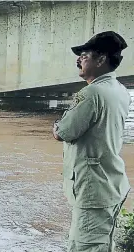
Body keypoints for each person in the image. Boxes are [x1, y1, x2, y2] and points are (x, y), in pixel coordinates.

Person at [52, 30, 132, 251]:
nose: (79, 60)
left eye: (84, 55)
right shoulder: (120, 90)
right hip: (111, 183)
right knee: (101, 242)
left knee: (86, 246)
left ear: (101, 59)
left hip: (94, 190)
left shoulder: (92, 93)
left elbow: (64, 132)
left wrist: (56, 126)